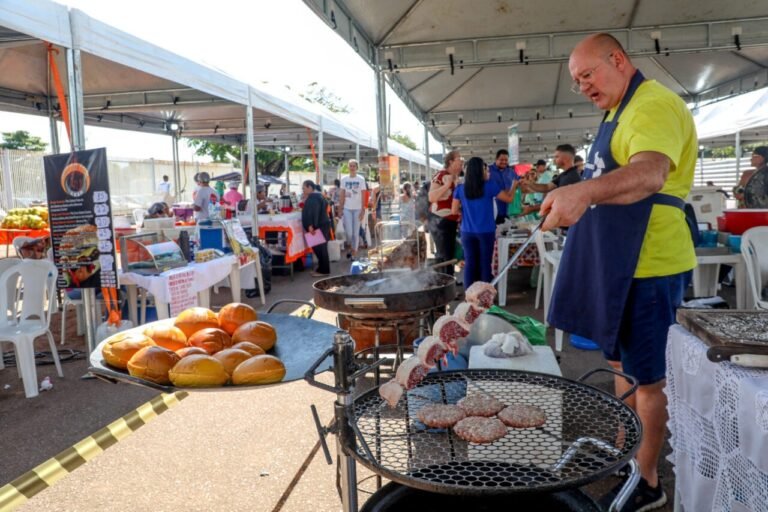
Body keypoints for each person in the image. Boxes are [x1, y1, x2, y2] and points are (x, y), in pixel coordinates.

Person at [542, 33, 697, 511]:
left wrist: (584, 193)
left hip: (648, 264)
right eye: (577, 81)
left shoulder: (652, 104)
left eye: (588, 74)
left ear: (618, 59)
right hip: (614, 263)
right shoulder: (615, 113)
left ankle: (648, 482)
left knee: (647, 379)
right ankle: (624, 454)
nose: (583, 86)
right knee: (617, 367)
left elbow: (650, 173)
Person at [451, 157, 517, 288]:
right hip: (486, 232)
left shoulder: (460, 188)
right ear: (480, 171)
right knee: (485, 263)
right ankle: (485, 297)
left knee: (470, 263)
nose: (488, 172)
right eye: (486, 169)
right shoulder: (490, 186)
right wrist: (514, 185)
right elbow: (509, 198)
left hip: (467, 232)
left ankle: (469, 296)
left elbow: (454, 211)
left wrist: (466, 208)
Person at [428, 150, 463, 276]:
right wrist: (447, 185)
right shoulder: (441, 175)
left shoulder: (456, 177)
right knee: (445, 254)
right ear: (451, 162)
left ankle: (448, 281)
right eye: (459, 158)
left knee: (450, 253)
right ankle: (444, 282)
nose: (462, 161)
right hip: (440, 220)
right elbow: (431, 197)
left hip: (451, 220)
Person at [337, 159, 367, 260]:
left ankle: (354, 253)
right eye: (350, 165)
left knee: (355, 233)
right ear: (348, 167)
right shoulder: (344, 179)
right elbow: (341, 195)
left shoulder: (361, 179)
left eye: (354, 166)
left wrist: (363, 210)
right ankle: (350, 247)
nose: (352, 167)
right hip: (347, 208)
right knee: (349, 233)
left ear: (357, 167)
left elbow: (364, 195)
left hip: (358, 209)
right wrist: (340, 209)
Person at [301, 180, 332, 277]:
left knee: (320, 249)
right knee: (319, 249)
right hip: (322, 224)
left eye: (304, 188)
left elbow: (313, 212)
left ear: (309, 187)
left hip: (319, 226)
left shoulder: (314, 197)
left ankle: (324, 270)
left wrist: (310, 225)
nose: (303, 190)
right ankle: (321, 268)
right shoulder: (318, 196)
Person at [488, 149, 520, 224]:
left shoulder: (511, 172)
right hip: (494, 212)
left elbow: (518, 183)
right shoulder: (488, 171)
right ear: (496, 159)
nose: (504, 162)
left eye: (506, 160)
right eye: (501, 160)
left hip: (510, 211)